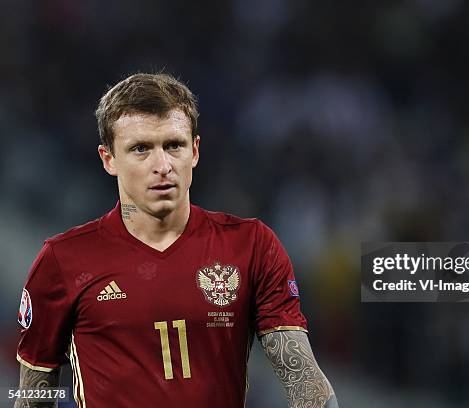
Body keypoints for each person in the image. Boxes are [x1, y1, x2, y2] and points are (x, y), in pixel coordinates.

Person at [15, 73, 338, 408]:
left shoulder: (252, 246)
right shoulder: (63, 261)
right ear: (108, 159)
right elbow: (32, 397)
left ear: (195, 151)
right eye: (141, 149)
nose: (163, 165)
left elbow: (303, 379)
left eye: (174, 145)